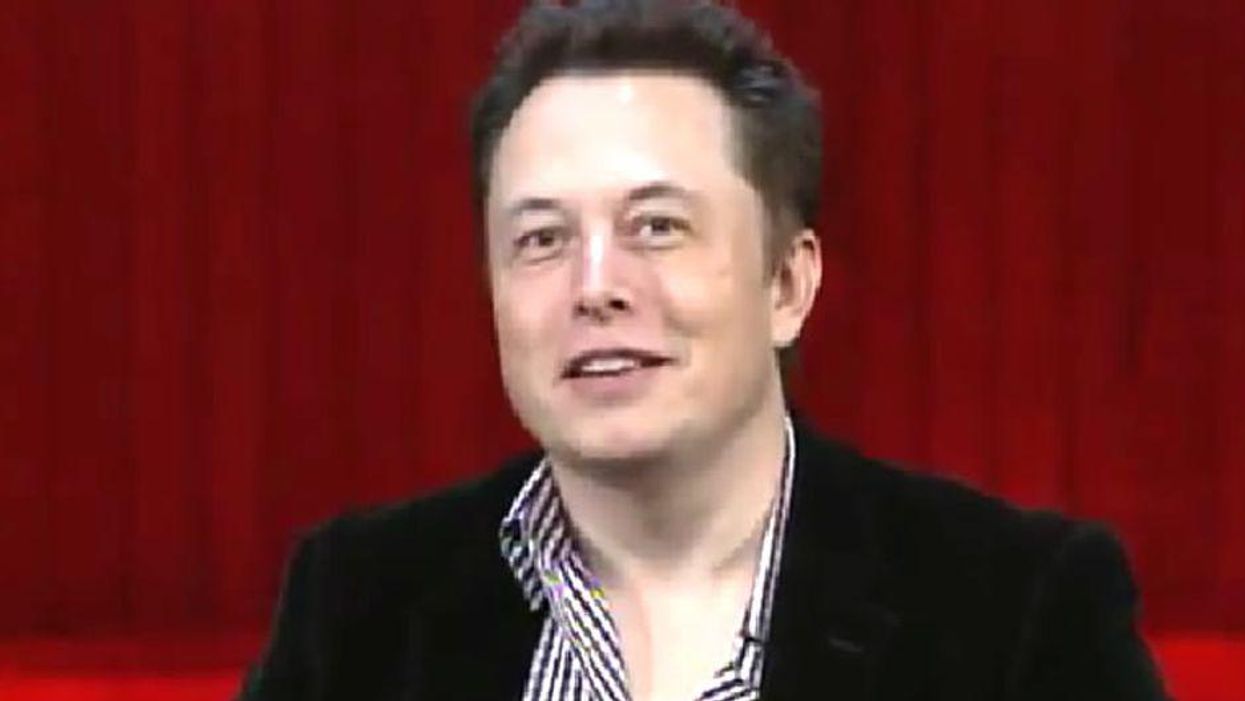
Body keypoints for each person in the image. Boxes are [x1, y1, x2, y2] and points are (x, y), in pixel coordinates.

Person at [238, 1, 1169, 699]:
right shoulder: (356, 609)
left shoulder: (1018, 610)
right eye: (541, 239)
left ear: (787, 283)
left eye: (655, 226)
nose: (594, 286)